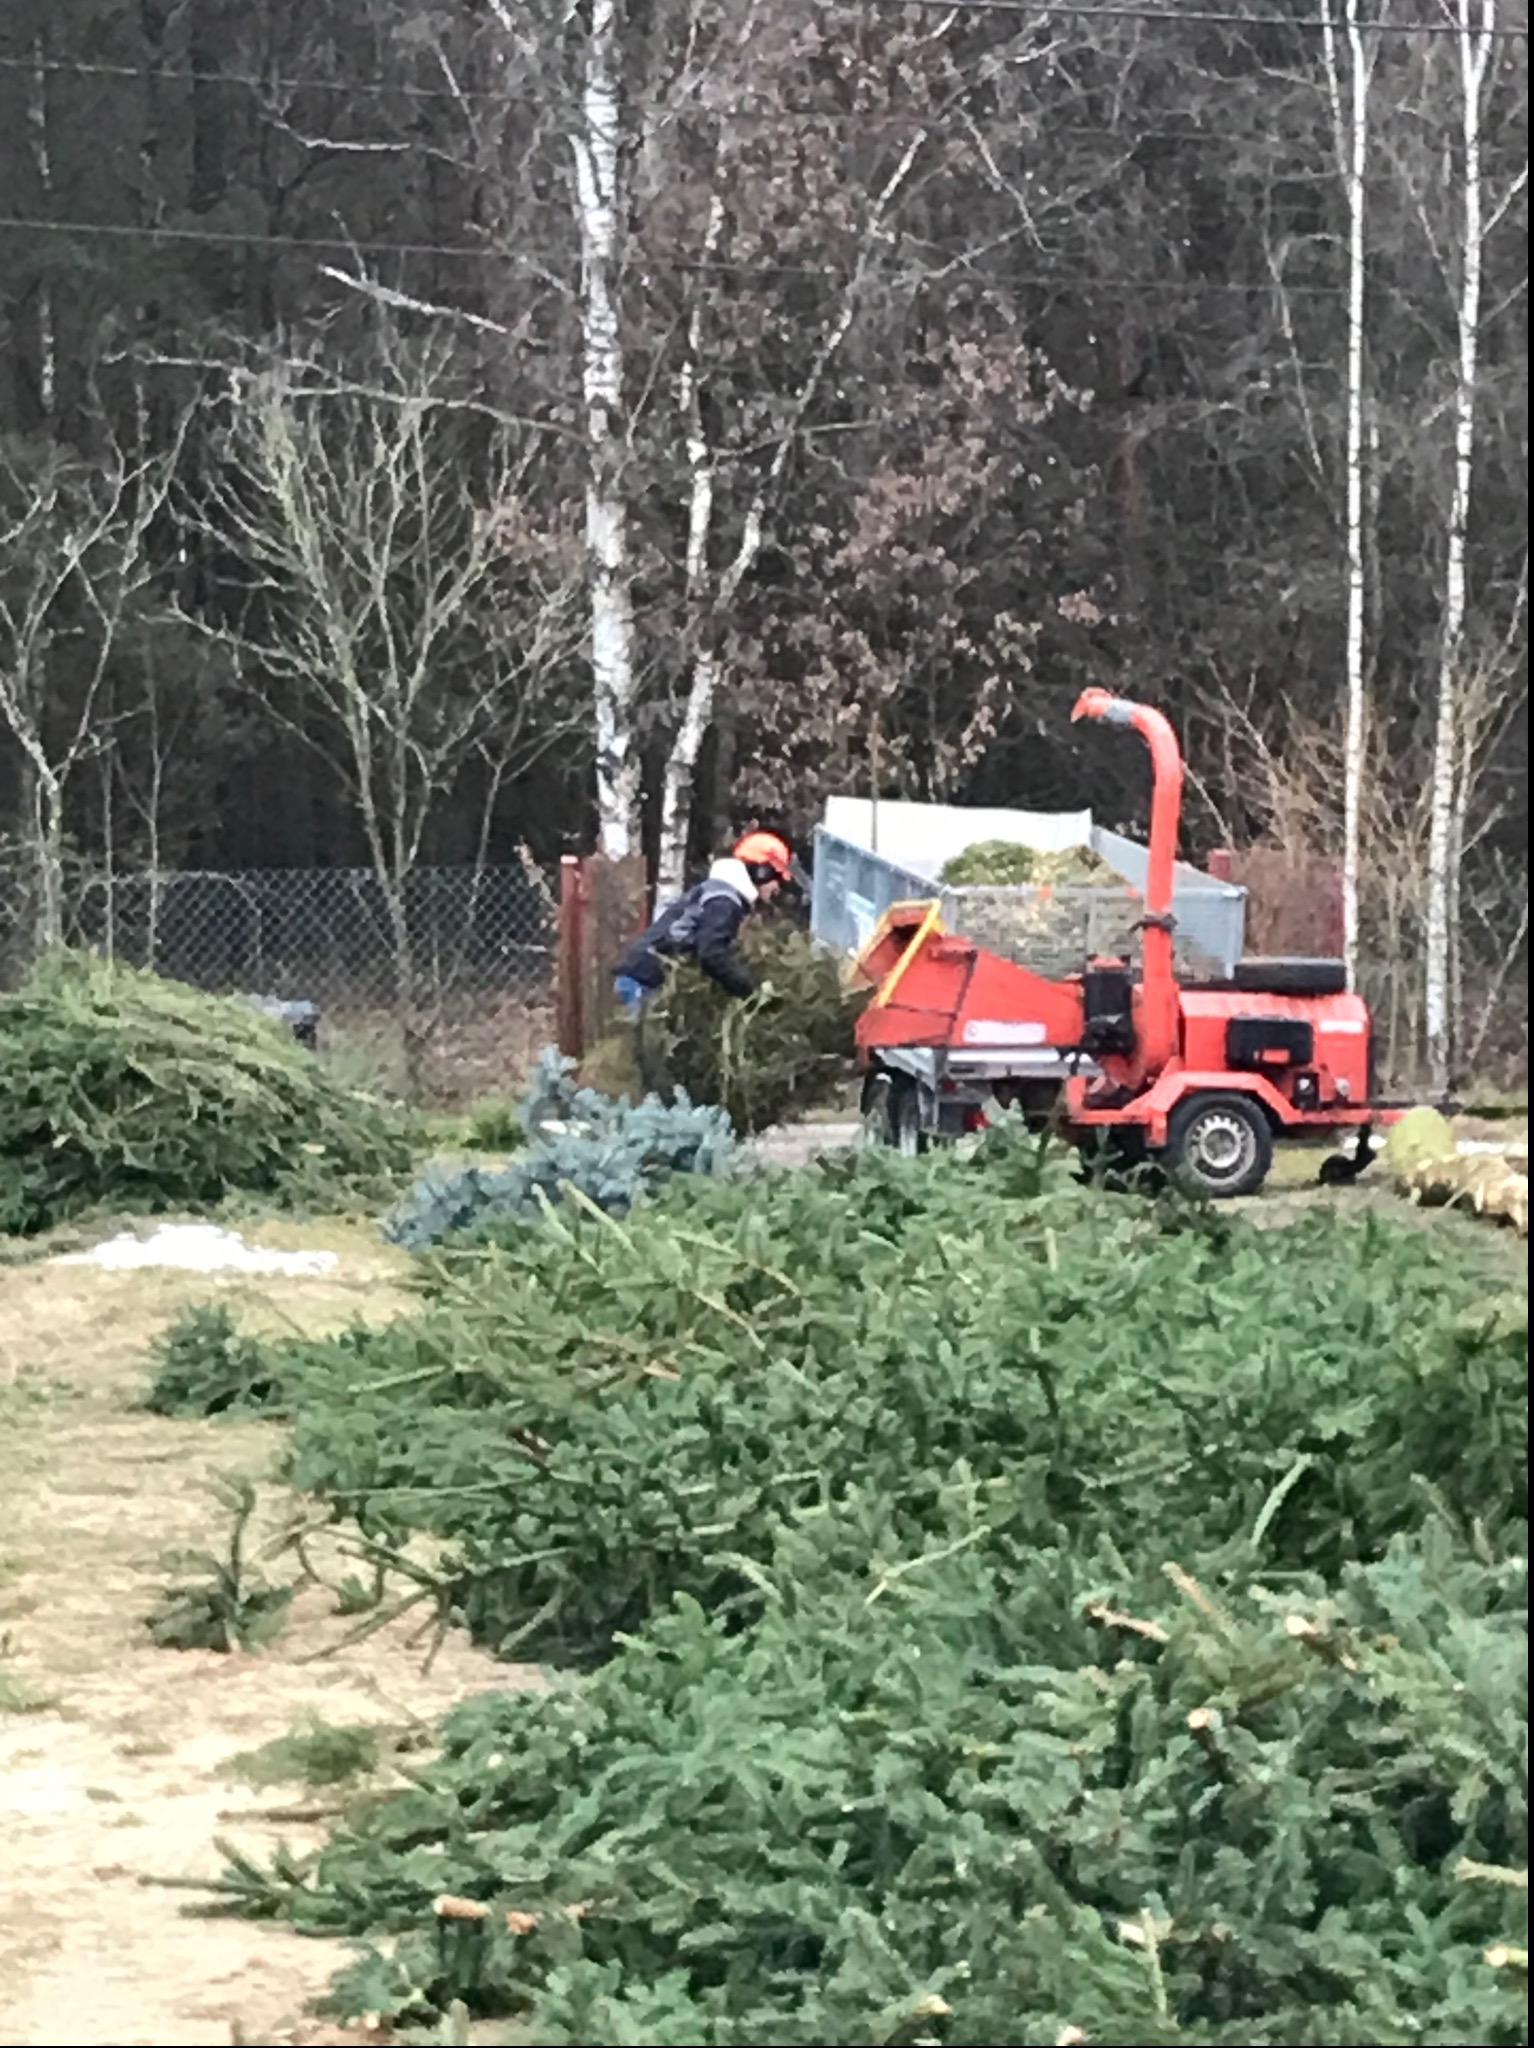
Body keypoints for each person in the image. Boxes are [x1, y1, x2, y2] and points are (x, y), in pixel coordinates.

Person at [613, 831, 796, 1016]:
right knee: (649, 1042)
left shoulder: (719, 894)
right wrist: (752, 995)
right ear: (762, 871)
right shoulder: (724, 901)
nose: (778, 887)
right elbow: (712, 953)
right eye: (777, 878)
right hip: (645, 979)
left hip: (645, 978)